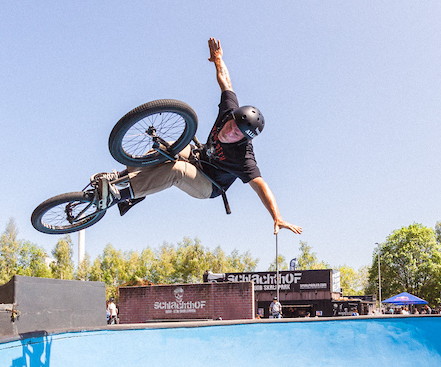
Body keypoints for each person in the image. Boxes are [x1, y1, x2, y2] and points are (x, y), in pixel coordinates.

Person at [94, 38, 302, 237]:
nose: (229, 131)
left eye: (236, 133)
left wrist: (277, 217)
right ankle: (120, 177)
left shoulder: (244, 158)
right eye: (231, 124)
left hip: (208, 185)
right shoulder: (229, 110)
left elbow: (261, 186)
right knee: (172, 148)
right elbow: (226, 82)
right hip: (198, 157)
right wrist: (218, 59)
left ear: (243, 139)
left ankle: (117, 197)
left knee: (177, 170)